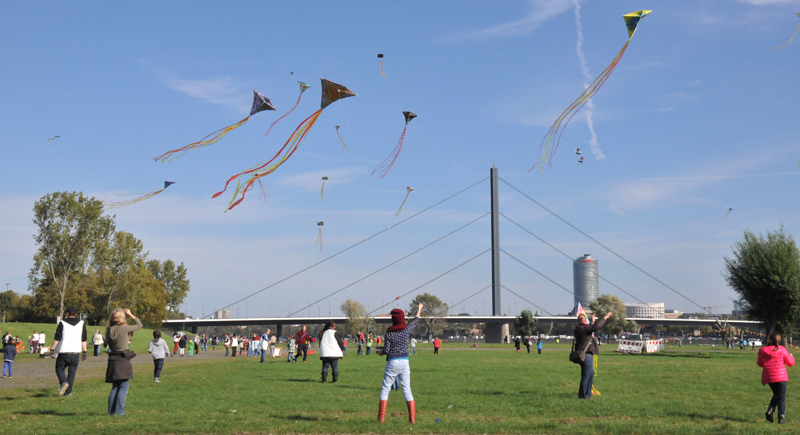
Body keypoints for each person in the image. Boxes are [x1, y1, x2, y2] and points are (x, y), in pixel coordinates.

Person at [377, 303, 422, 424]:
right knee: (407, 389)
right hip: (404, 362)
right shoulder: (406, 331)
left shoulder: (389, 333)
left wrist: (380, 352)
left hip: (392, 362)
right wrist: (419, 309)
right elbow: (416, 320)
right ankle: (412, 419)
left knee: (385, 389)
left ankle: (381, 419)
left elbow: (386, 350)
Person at [105, 308, 142, 416]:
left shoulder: (109, 330)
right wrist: (131, 314)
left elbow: (110, 345)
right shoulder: (124, 328)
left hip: (113, 359)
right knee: (123, 387)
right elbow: (139, 325)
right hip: (123, 359)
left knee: (115, 387)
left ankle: (111, 411)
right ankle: (119, 411)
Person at [758, 331, 795, 424]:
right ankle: (781, 418)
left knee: (777, 395)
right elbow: (790, 363)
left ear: (769, 339)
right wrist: (791, 357)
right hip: (781, 377)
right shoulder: (782, 349)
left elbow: (760, 364)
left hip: (769, 377)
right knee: (781, 397)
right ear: (779, 341)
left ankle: (771, 410)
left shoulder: (762, 351)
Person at [574, 310, 612, 399]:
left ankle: (587, 394)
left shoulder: (578, 329)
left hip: (581, 353)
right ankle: (583, 395)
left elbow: (591, 327)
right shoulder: (584, 328)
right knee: (587, 375)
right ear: (584, 321)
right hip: (586, 354)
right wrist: (605, 317)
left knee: (590, 373)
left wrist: (592, 321)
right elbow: (596, 327)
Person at [51, 306, 87, 396]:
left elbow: (57, 337)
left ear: (67, 314)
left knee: (59, 368)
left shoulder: (62, 323)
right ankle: (68, 392)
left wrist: (52, 349)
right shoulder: (82, 323)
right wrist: (85, 351)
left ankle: (63, 382)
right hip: (76, 352)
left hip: (64, 351)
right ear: (76, 314)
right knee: (72, 373)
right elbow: (84, 338)